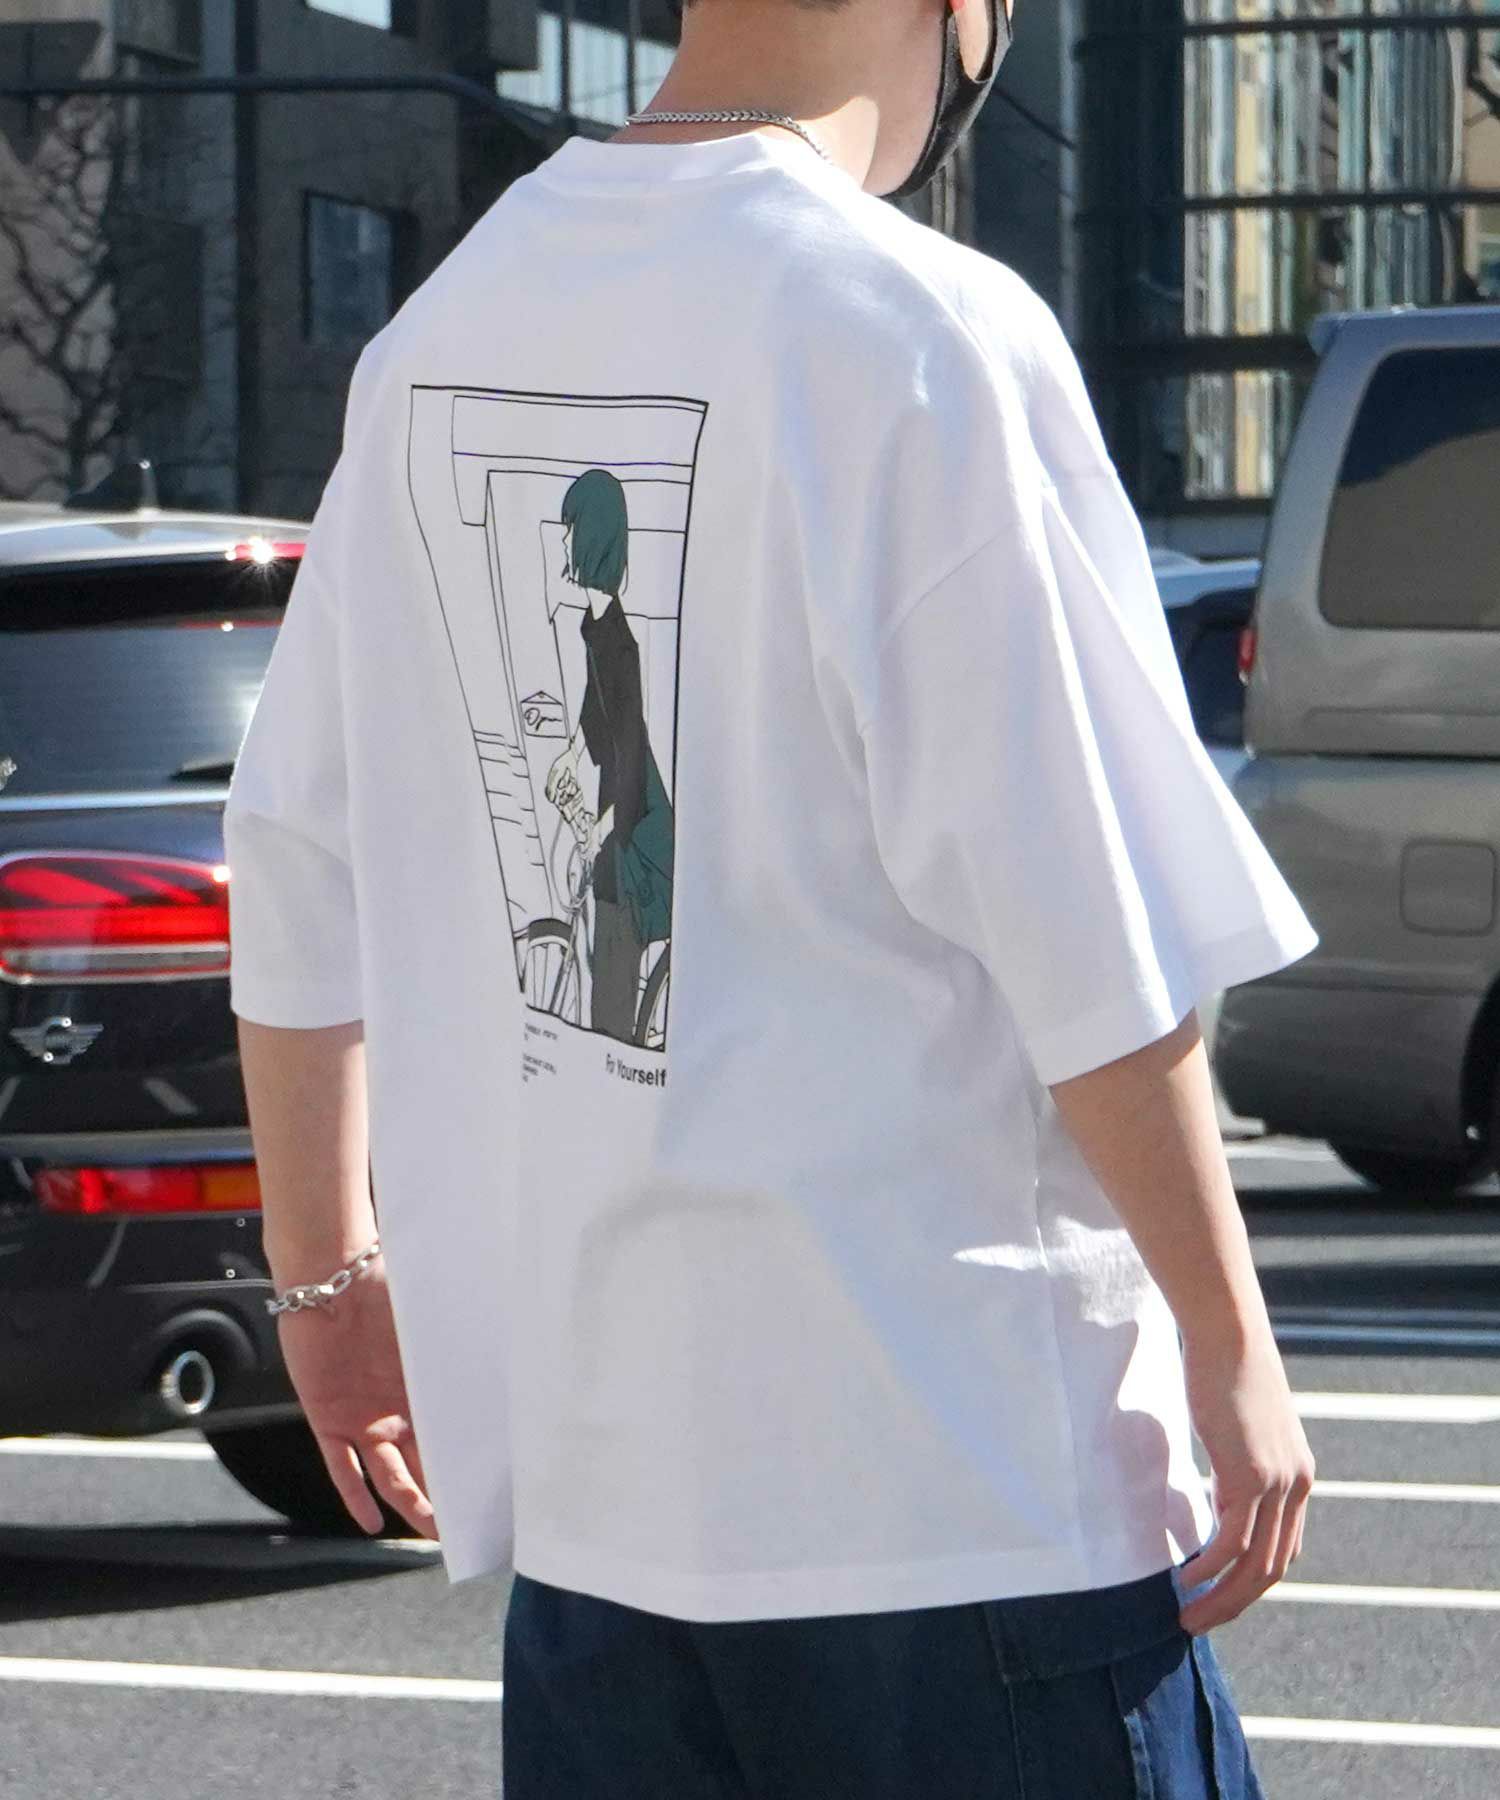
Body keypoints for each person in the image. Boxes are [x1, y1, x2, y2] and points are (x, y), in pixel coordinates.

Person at [224, 1, 1318, 1793]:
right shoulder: (918, 332)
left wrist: (326, 1285)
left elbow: (292, 854)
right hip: (957, 1494)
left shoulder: (442, 334)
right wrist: (1231, 1339)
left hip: (601, 1509)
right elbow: (1081, 915)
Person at [544, 469, 675, 1045]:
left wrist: (604, 827)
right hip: (615, 803)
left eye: (570, 529)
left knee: (615, 952)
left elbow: (628, 742)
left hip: (632, 815)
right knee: (603, 937)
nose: (563, 541)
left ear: (591, 537)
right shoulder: (595, 628)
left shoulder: (620, 644)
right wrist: (570, 755)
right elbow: (594, 709)